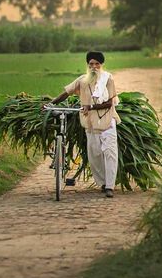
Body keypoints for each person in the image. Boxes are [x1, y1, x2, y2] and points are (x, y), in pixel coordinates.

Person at [49, 51, 120, 198]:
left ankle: (110, 187)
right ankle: (102, 183)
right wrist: (51, 103)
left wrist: (91, 107)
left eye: (97, 64)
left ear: (102, 65)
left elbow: (109, 102)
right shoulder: (82, 81)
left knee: (110, 153)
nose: (94, 67)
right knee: (94, 155)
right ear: (87, 65)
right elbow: (66, 93)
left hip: (107, 121)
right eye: (91, 64)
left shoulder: (108, 79)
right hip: (90, 124)